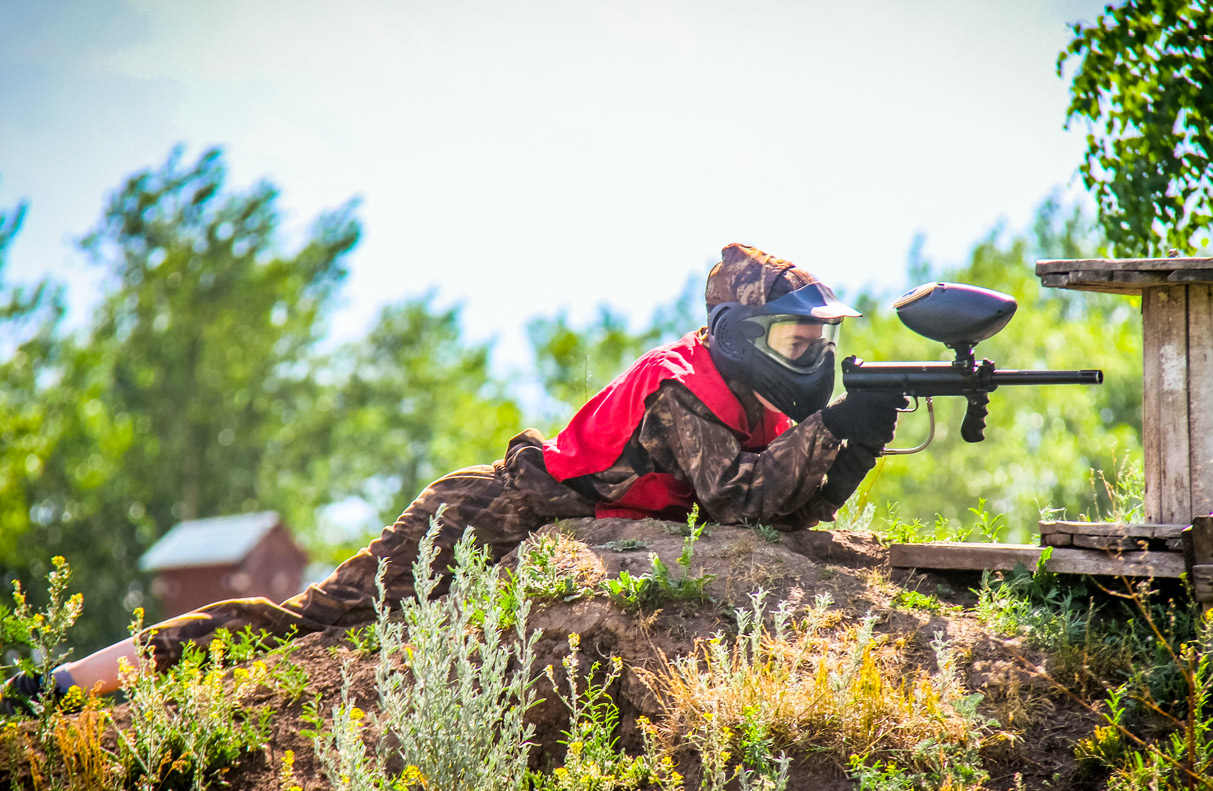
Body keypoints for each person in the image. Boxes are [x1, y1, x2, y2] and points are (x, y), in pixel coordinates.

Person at [1, 243, 902, 713]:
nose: (812, 354)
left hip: (533, 526)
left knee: (316, 629)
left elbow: (792, 506)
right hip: (481, 516)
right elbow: (741, 499)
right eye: (799, 339)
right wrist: (844, 419)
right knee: (303, 623)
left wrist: (860, 430)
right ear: (744, 333)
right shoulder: (682, 390)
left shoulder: (749, 402)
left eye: (820, 340)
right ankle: (64, 688)